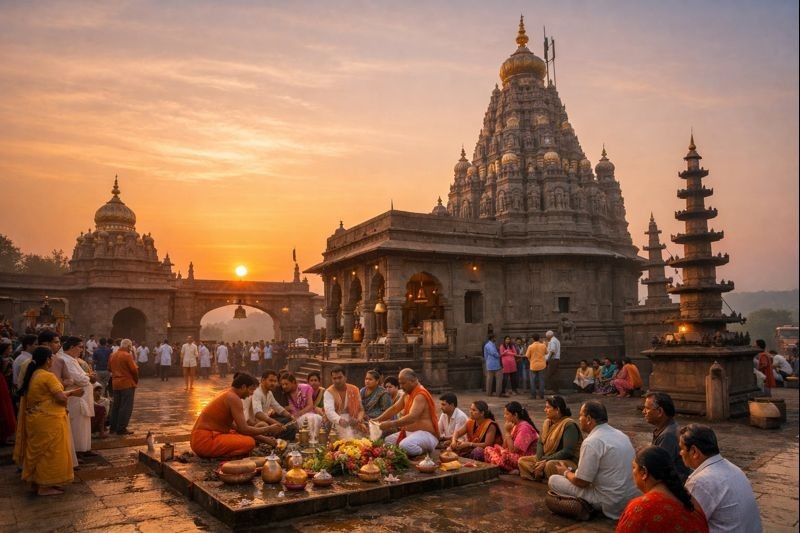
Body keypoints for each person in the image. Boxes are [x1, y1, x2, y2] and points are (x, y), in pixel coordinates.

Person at [548, 400, 640, 520]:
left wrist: (565, 472)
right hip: (631, 498)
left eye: (581, 415)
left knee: (553, 480)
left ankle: (586, 507)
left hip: (609, 501)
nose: (579, 419)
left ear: (589, 419)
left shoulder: (591, 441)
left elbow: (582, 482)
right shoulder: (621, 435)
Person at [13, 346, 85, 496]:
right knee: (50, 453)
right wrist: (73, 392)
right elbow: (59, 397)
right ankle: (45, 486)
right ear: (47, 360)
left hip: (37, 419)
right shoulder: (48, 376)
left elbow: (48, 396)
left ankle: (37, 481)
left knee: (39, 453)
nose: (53, 360)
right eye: (51, 358)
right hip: (49, 420)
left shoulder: (35, 374)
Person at [680, 424, 762, 532]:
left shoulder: (700, 481)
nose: (680, 453)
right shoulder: (734, 469)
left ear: (694, 452)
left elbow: (686, 523)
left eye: (681, 449)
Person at [616, 446, 708, 532]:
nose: (632, 472)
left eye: (634, 467)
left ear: (644, 472)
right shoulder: (690, 500)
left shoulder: (639, 508)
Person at [190, 373, 278, 458]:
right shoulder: (233, 398)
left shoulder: (227, 393)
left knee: (241, 435)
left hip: (198, 440)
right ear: (243, 387)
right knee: (249, 442)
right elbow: (244, 429)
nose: (251, 394)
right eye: (251, 390)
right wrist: (269, 428)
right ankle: (221, 457)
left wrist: (266, 439)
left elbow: (238, 428)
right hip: (204, 441)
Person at [377, 368, 440, 457]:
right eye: (400, 383)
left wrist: (390, 424)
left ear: (413, 381)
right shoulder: (406, 394)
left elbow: (412, 417)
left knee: (405, 446)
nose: (401, 386)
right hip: (409, 433)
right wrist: (377, 420)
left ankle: (424, 455)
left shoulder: (420, 395)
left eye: (403, 383)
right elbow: (395, 408)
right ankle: (407, 453)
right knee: (388, 441)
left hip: (426, 435)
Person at [518, 395, 582, 481]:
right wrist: (540, 460)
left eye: (548, 407)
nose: (545, 410)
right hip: (546, 458)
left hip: (566, 461)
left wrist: (545, 460)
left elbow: (567, 451)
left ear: (557, 409)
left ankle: (546, 476)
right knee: (522, 461)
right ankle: (541, 473)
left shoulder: (569, 425)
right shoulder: (547, 423)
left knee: (550, 465)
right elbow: (540, 442)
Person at [643, 391, 690, 482]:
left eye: (647, 408)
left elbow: (658, 467)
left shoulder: (668, 435)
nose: (644, 411)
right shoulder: (667, 428)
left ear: (660, 411)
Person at [61, 336, 95, 455]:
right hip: (75, 398)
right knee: (76, 425)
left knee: (83, 424)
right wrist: (88, 377)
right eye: (80, 347)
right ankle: (77, 451)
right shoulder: (65, 360)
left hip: (82, 398)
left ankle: (85, 449)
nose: (82, 350)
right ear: (71, 347)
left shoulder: (73, 359)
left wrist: (86, 376)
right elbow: (80, 380)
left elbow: (82, 376)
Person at [483, 401, 539, 472]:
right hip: (513, 455)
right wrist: (508, 432)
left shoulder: (524, 427)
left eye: (507, 414)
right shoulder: (514, 425)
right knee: (489, 449)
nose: (504, 416)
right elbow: (504, 447)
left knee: (504, 456)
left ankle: (508, 469)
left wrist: (507, 432)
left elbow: (513, 450)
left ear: (515, 415)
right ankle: (506, 468)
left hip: (524, 459)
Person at [247, 370, 296, 441]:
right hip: (257, 424)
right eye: (271, 380)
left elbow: (278, 407)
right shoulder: (257, 392)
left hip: (267, 421)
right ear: (263, 380)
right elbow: (258, 413)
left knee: (288, 420)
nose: (273, 383)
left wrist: (290, 416)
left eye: (275, 381)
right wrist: (274, 422)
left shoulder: (269, 393)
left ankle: (280, 439)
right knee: (281, 427)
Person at [323, 366, 367, 439]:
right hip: (334, 422)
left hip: (354, 421)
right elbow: (329, 412)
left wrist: (358, 419)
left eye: (340, 377)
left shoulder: (354, 389)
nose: (337, 380)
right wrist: (340, 420)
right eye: (334, 378)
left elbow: (361, 409)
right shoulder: (328, 392)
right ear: (331, 379)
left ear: (345, 377)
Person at [108, 339, 138, 436]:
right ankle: (121, 428)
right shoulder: (127, 356)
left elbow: (109, 368)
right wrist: (135, 381)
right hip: (127, 383)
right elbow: (134, 370)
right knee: (125, 407)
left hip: (115, 384)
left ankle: (113, 427)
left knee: (116, 406)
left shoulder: (112, 355)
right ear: (129, 346)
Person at [280, 372, 323, 438]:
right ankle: (311, 440)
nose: (284, 386)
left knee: (315, 418)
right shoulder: (284, 394)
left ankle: (313, 440)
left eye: (286, 384)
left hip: (309, 414)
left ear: (293, 382)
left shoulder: (306, 388)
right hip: (295, 419)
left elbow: (310, 405)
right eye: (282, 384)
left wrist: (300, 413)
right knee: (310, 419)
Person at [526, 333, 547, 399]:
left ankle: (533, 395)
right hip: (542, 365)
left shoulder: (530, 346)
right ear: (539, 338)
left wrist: (530, 360)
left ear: (533, 339)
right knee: (541, 380)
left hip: (533, 365)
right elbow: (546, 352)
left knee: (533, 381)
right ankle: (541, 395)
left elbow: (527, 356)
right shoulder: (543, 345)